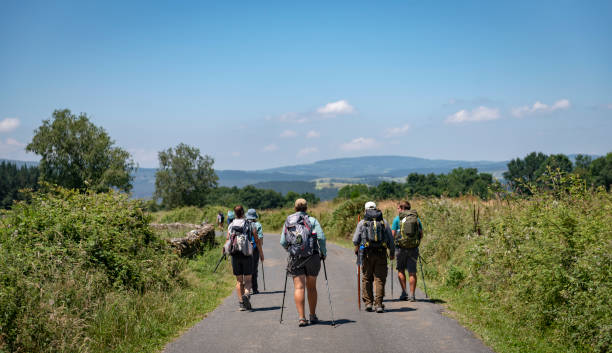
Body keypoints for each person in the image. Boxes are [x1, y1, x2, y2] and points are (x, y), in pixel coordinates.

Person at [280, 198, 327, 327]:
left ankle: (302, 318)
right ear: (307, 208)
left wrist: (291, 250)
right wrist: (323, 252)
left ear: (295, 208)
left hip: (296, 258)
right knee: (311, 287)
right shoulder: (312, 221)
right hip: (312, 256)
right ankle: (312, 315)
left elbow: (283, 242)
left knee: (299, 287)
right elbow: (321, 238)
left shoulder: (289, 221)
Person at [352, 201, 395, 312]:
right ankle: (379, 304)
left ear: (365, 210)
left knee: (366, 278)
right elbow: (391, 239)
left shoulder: (362, 223)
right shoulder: (384, 222)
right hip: (381, 254)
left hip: (366, 254)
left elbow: (355, 240)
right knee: (379, 279)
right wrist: (392, 253)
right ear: (376, 209)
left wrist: (357, 251)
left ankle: (368, 303)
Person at [225, 205, 264, 311]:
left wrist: (225, 251)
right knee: (248, 280)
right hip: (247, 254)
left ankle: (241, 304)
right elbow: (256, 240)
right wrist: (261, 254)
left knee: (239, 281)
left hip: (235, 254)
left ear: (235, 213)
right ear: (243, 213)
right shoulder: (250, 224)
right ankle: (247, 294)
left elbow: (228, 239)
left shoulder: (231, 224)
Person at [391, 200, 423, 302]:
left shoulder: (397, 220)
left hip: (400, 248)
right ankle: (412, 295)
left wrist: (392, 247)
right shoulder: (416, 219)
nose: (397, 210)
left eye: (398, 208)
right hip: (413, 249)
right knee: (412, 272)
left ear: (402, 208)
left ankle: (404, 293)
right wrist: (415, 243)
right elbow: (421, 234)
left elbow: (392, 235)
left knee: (401, 270)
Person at [246, 208, 264, 294]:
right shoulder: (257, 224)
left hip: (244, 249)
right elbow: (259, 239)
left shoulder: (243, 223)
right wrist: (261, 252)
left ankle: (246, 288)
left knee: (245, 268)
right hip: (254, 249)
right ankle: (255, 288)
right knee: (254, 269)